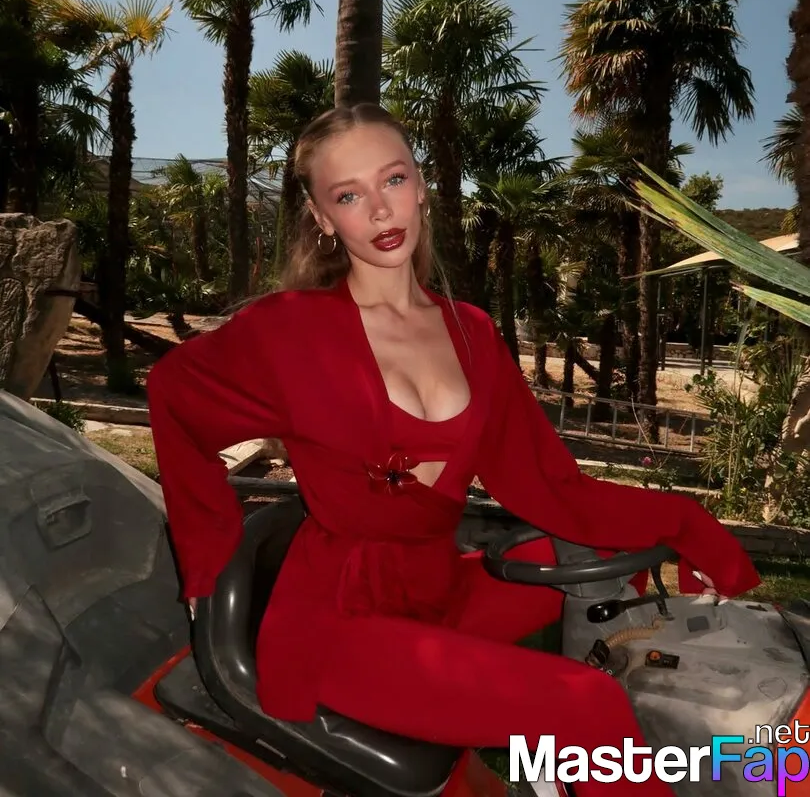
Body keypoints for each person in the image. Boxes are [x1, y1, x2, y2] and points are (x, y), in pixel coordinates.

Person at [146, 103, 760, 796]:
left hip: (438, 586)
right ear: (322, 218)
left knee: (599, 563)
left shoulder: (471, 331)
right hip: (342, 616)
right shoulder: (287, 331)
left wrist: (686, 523)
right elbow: (173, 394)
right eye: (348, 195)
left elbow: (550, 485)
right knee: (583, 705)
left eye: (393, 179)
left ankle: (565, 774)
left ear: (421, 185)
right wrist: (206, 561)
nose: (381, 209)